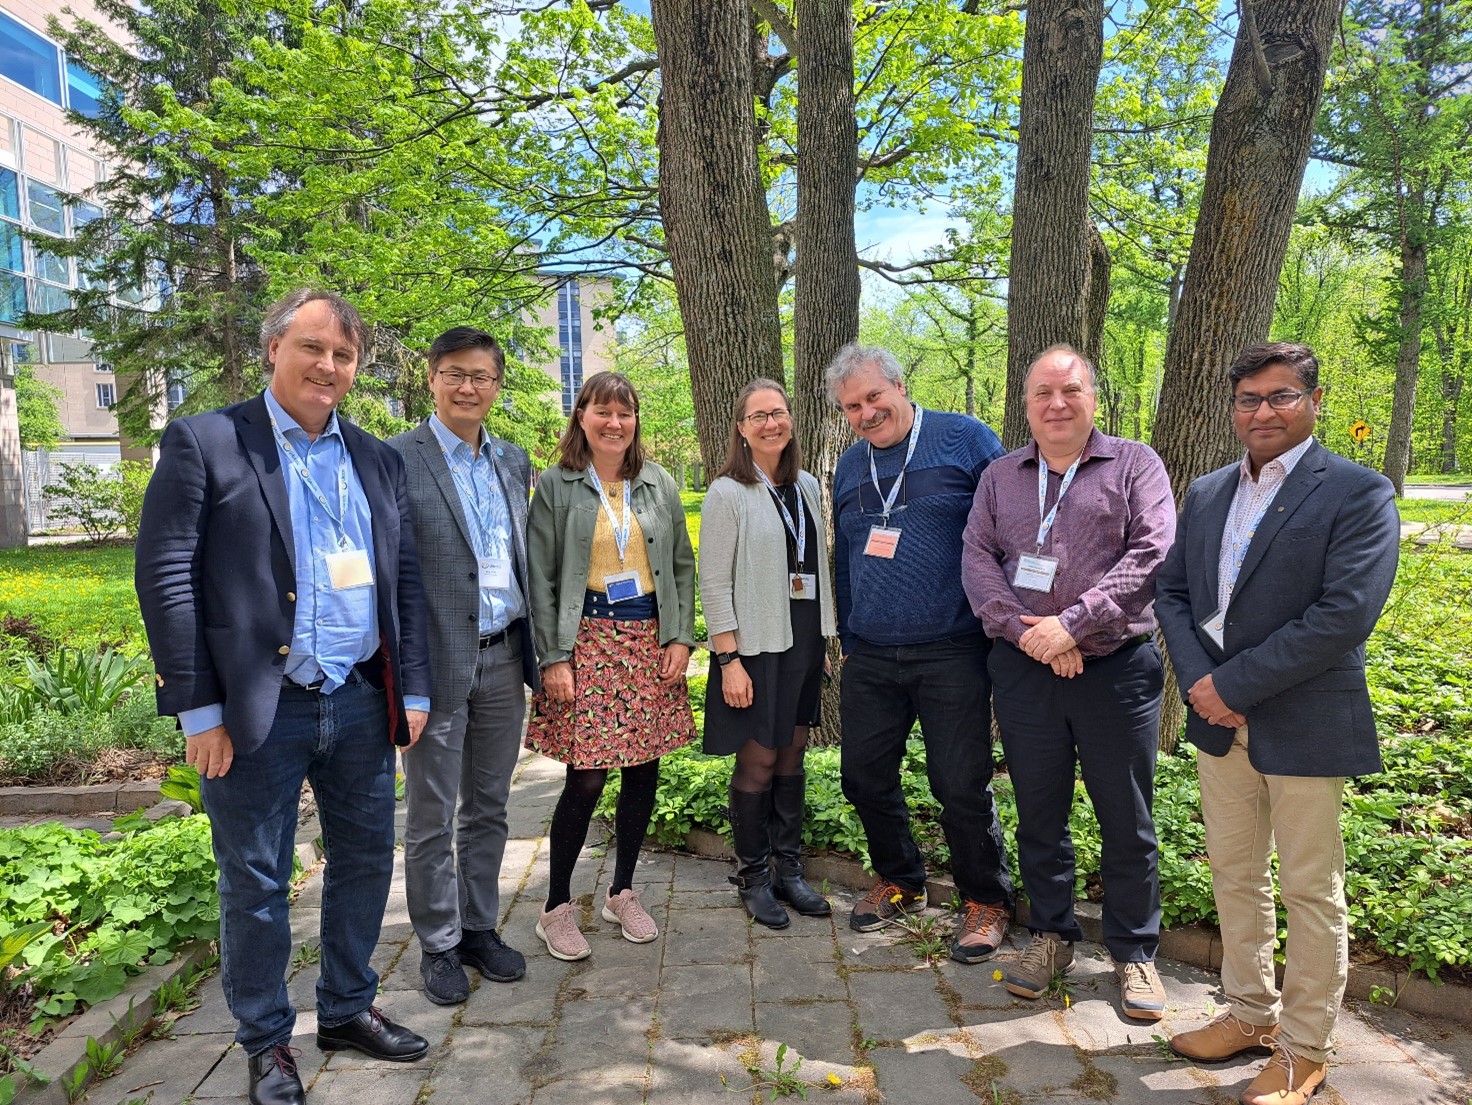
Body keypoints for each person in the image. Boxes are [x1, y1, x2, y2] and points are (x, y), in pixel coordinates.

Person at [134, 289, 432, 1105]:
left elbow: (402, 577)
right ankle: (266, 1041)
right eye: (312, 347)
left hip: (362, 698)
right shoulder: (207, 442)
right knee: (257, 882)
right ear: (274, 348)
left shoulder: (377, 458)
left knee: (368, 860)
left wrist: (415, 688)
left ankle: (345, 1006)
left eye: (342, 354)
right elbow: (165, 580)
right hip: (254, 708)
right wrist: (198, 710)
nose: (327, 366)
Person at [1155, 342, 1399, 1105]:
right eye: (1249, 399)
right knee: (1234, 872)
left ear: (1314, 400)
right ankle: (1250, 1012)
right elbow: (1171, 593)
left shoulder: (1359, 492)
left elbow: (1342, 616)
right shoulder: (1207, 490)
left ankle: (1304, 1047)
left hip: (1303, 717)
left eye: (1281, 396)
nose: (1263, 411)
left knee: (1309, 888)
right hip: (1218, 721)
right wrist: (1200, 682)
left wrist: (1231, 685)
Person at [961, 345, 1175, 1020]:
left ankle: (1135, 953)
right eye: (1043, 393)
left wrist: (1073, 626)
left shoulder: (1136, 463)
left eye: (1070, 390)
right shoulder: (1000, 475)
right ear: (1026, 405)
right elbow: (977, 558)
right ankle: (1051, 935)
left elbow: (1152, 552)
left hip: (1116, 671)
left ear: (1093, 397)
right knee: (1040, 813)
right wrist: (1031, 634)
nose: (1057, 403)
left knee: (1127, 819)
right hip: (1026, 672)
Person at [827, 344, 1015, 964]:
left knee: (959, 783)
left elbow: (1008, 530)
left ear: (901, 386)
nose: (865, 413)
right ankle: (902, 881)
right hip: (873, 652)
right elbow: (846, 558)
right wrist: (850, 638)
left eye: (873, 397)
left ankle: (986, 901)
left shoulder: (965, 440)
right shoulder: (850, 467)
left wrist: (1003, 622)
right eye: (852, 406)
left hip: (952, 647)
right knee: (863, 775)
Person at [524, 371, 698, 961]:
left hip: (648, 642)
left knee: (643, 771)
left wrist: (679, 638)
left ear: (635, 421)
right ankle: (555, 907)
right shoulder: (557, 485)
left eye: (625, 413)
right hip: (588, 641)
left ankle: (622, 890)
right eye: (602, 411)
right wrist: (554, 656)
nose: (614, 423)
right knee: (587, 777)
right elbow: (540, 578)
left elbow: (679, 566)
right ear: (582, 416)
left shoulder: (658, 483)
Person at [387, 327, 538, 1005]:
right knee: (430, 813)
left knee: (490, 807)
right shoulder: (397, 459)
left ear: (496, 385)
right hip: (436, 666)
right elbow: (390, 576)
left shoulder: (512, 458)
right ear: (431, 378)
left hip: (505, 655)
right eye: (455, 373)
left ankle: (479, 926)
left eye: (481, 376)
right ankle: (439, 942)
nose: (468, 386)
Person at [699, 378, 837, 929]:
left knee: (792, 756)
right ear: (741, 427)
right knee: (757, 761)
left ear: (790, 421)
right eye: (757, 416)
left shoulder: (805, 485)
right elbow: (713, 582)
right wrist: (728, 659)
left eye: (777, 413)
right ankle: (752, 876)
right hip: (754, 647)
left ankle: (789, 869)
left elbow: (816, 568)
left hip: (803, 640)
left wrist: (824, 637)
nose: (770, 423)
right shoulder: (727, 491)